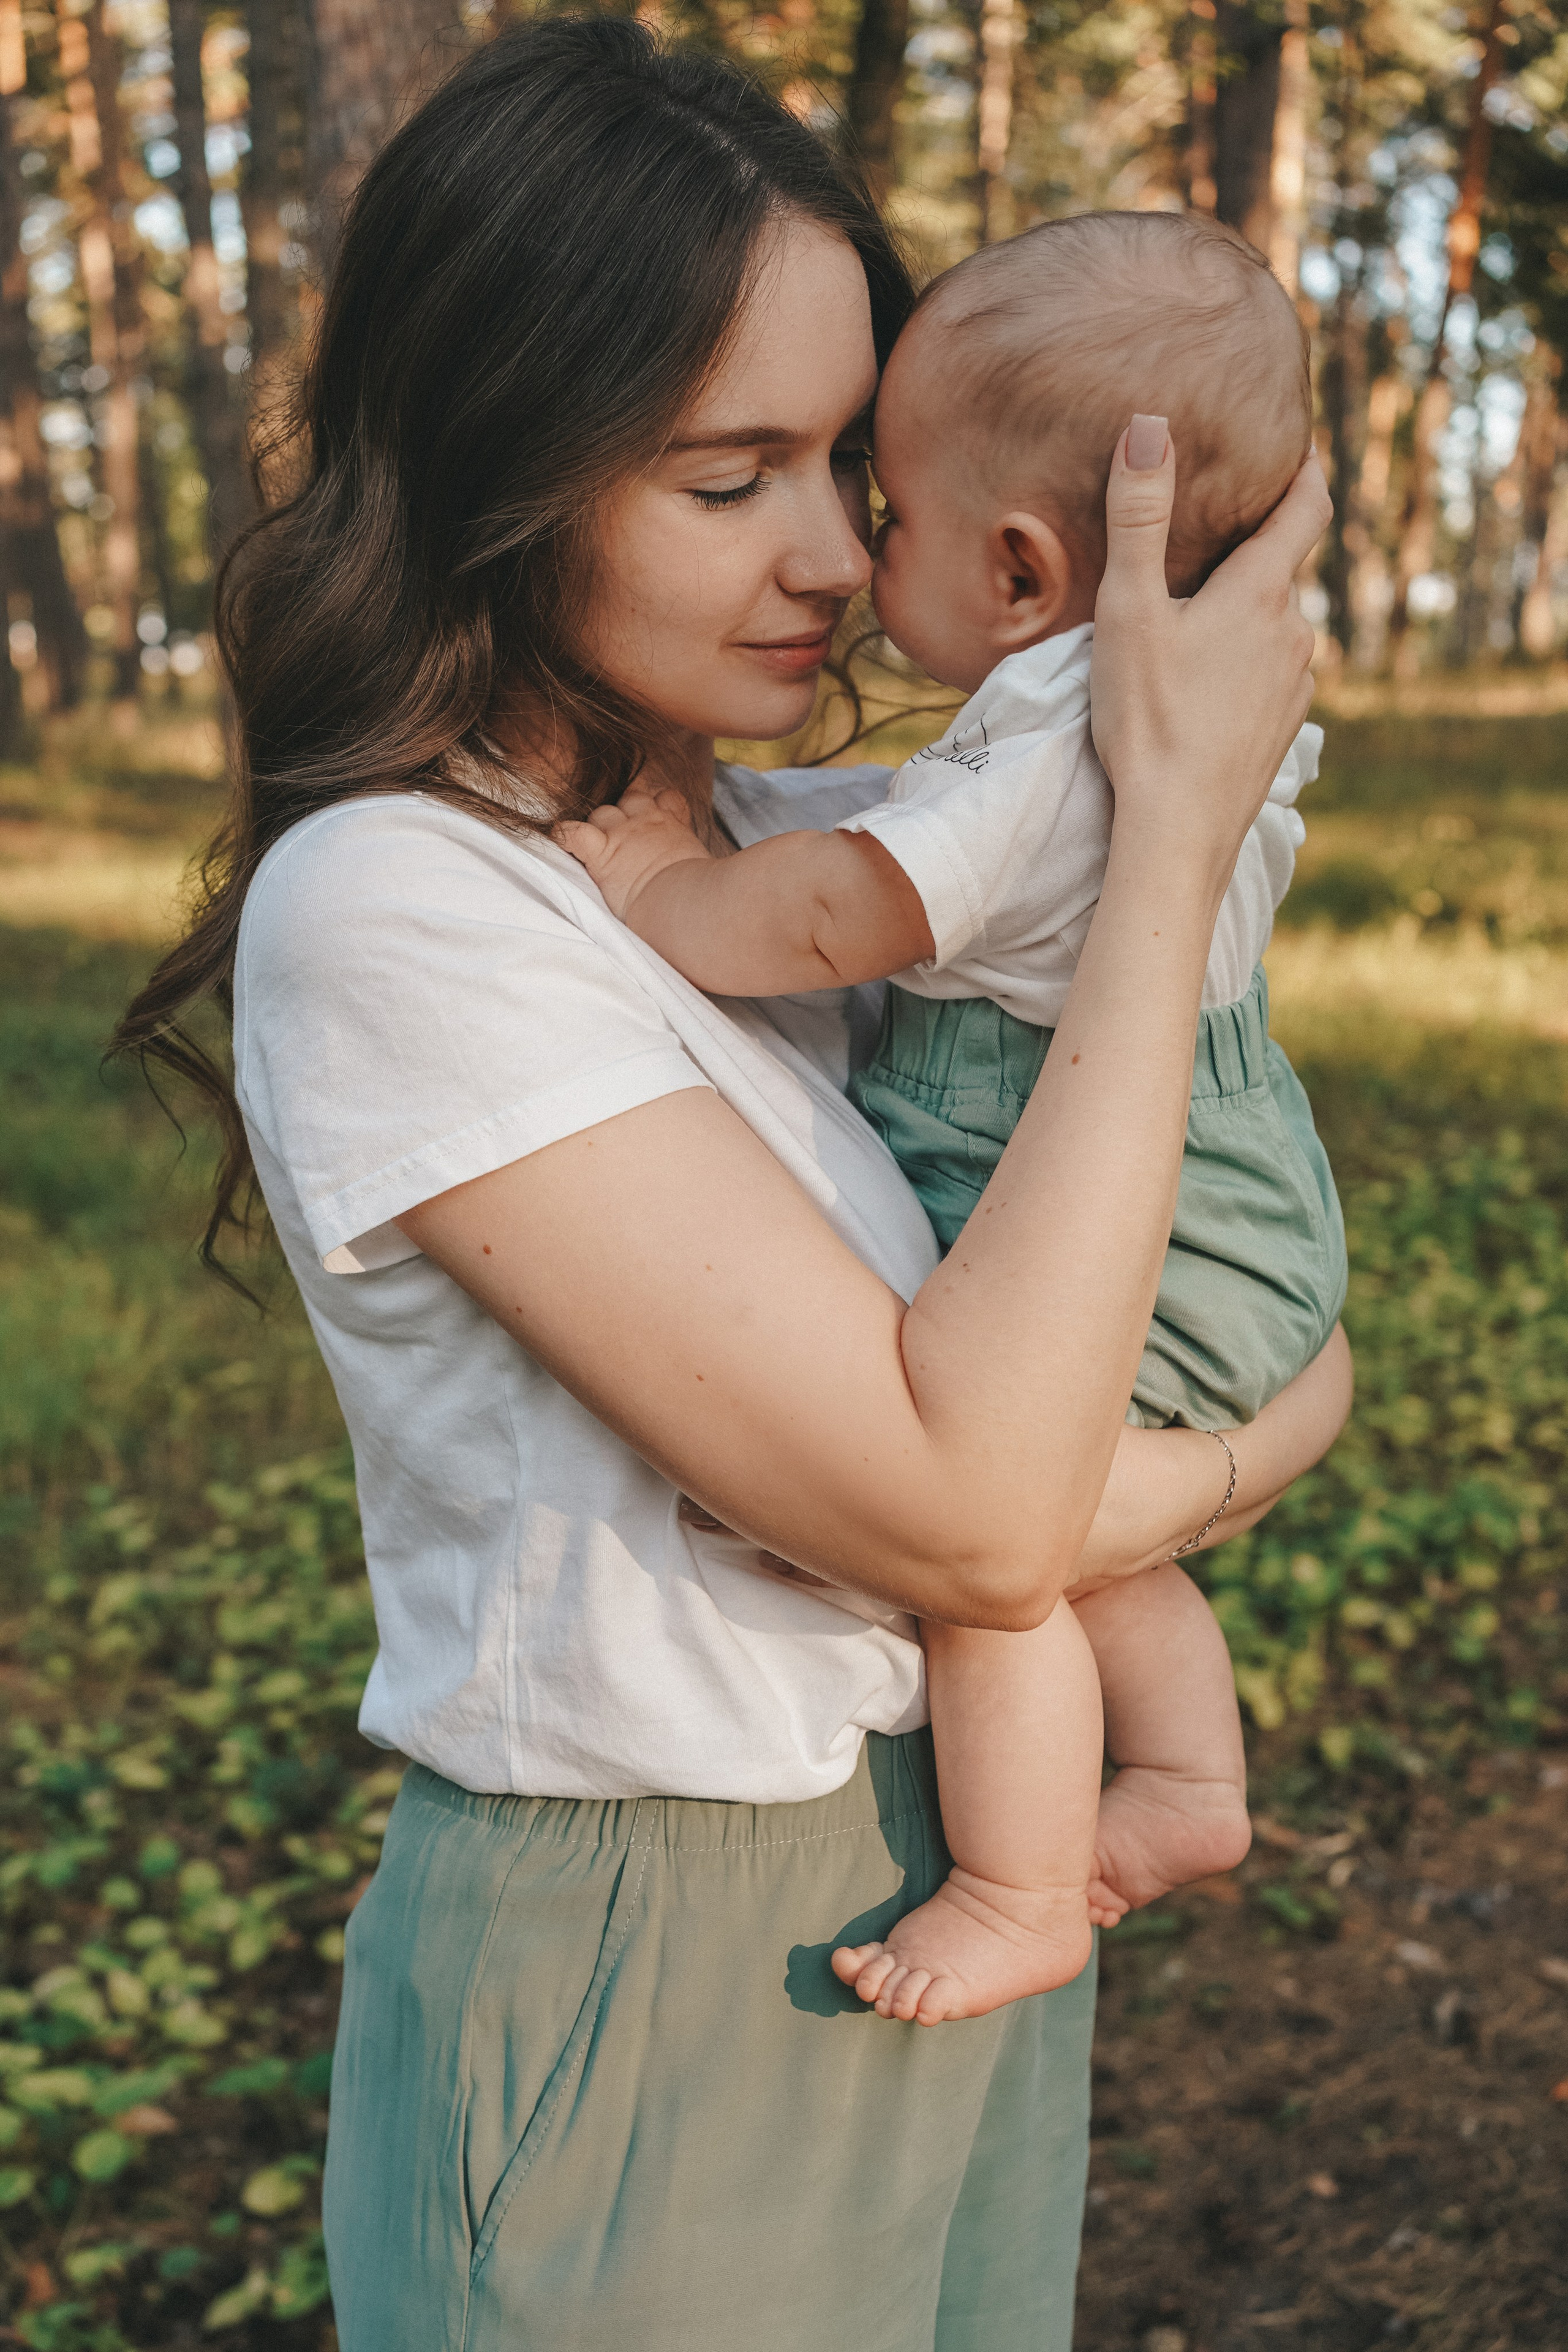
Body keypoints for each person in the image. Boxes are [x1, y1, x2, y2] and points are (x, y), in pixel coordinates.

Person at [113, 21, 1346, 2350]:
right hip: (653, 1958)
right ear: (506, 466)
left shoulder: (782, 847)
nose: (827, 557)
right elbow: (988, 1515)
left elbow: (1258, 1339)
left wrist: (1190, 1454)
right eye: (728, 477)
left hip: (978, 1856)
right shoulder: (401, 905)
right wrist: (1170, 835)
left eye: (847, 462)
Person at [557, 209, 1350, 2027]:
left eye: (880, 507)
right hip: (1240, 1187)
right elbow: (926, 832)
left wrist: (663, 889)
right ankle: (1193, 1782)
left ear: (1015, 569)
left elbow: (854, 913)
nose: (846, 552)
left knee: (1001, 1575)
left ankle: (1013, 1884)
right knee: (1083, 1523)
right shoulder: (1157, 700)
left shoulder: (1049, 739)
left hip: (1093, 1168)